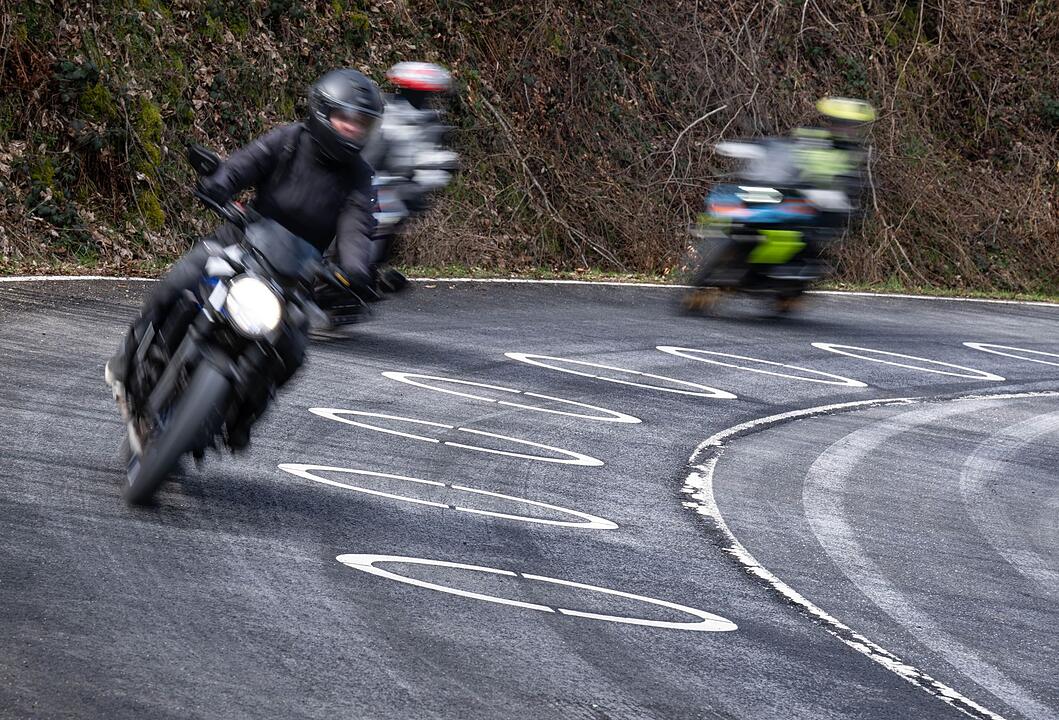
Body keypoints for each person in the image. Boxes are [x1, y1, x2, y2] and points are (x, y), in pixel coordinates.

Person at [106, 68, 384, 440]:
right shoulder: (289, 141)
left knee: (293, 349)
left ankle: (241, 417)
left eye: (361, 124)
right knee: (183, 278)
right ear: (322, 111)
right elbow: (244, 164)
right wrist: (218, 184)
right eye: (345, 118)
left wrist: (355, 269)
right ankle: (128, 359)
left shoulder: (359, 177)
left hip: (296, 276)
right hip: (242, 239)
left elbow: (357, 225)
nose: (352, 129)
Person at [359, 61, 459, 292]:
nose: (418, 98)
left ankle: (371, 271)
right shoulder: (382, 111)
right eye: (415, 93)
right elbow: (367, 151)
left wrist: (439, 168)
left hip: (396, 193)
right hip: (370, 184)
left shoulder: (430, 123)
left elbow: (431, 165)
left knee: (387, 228)